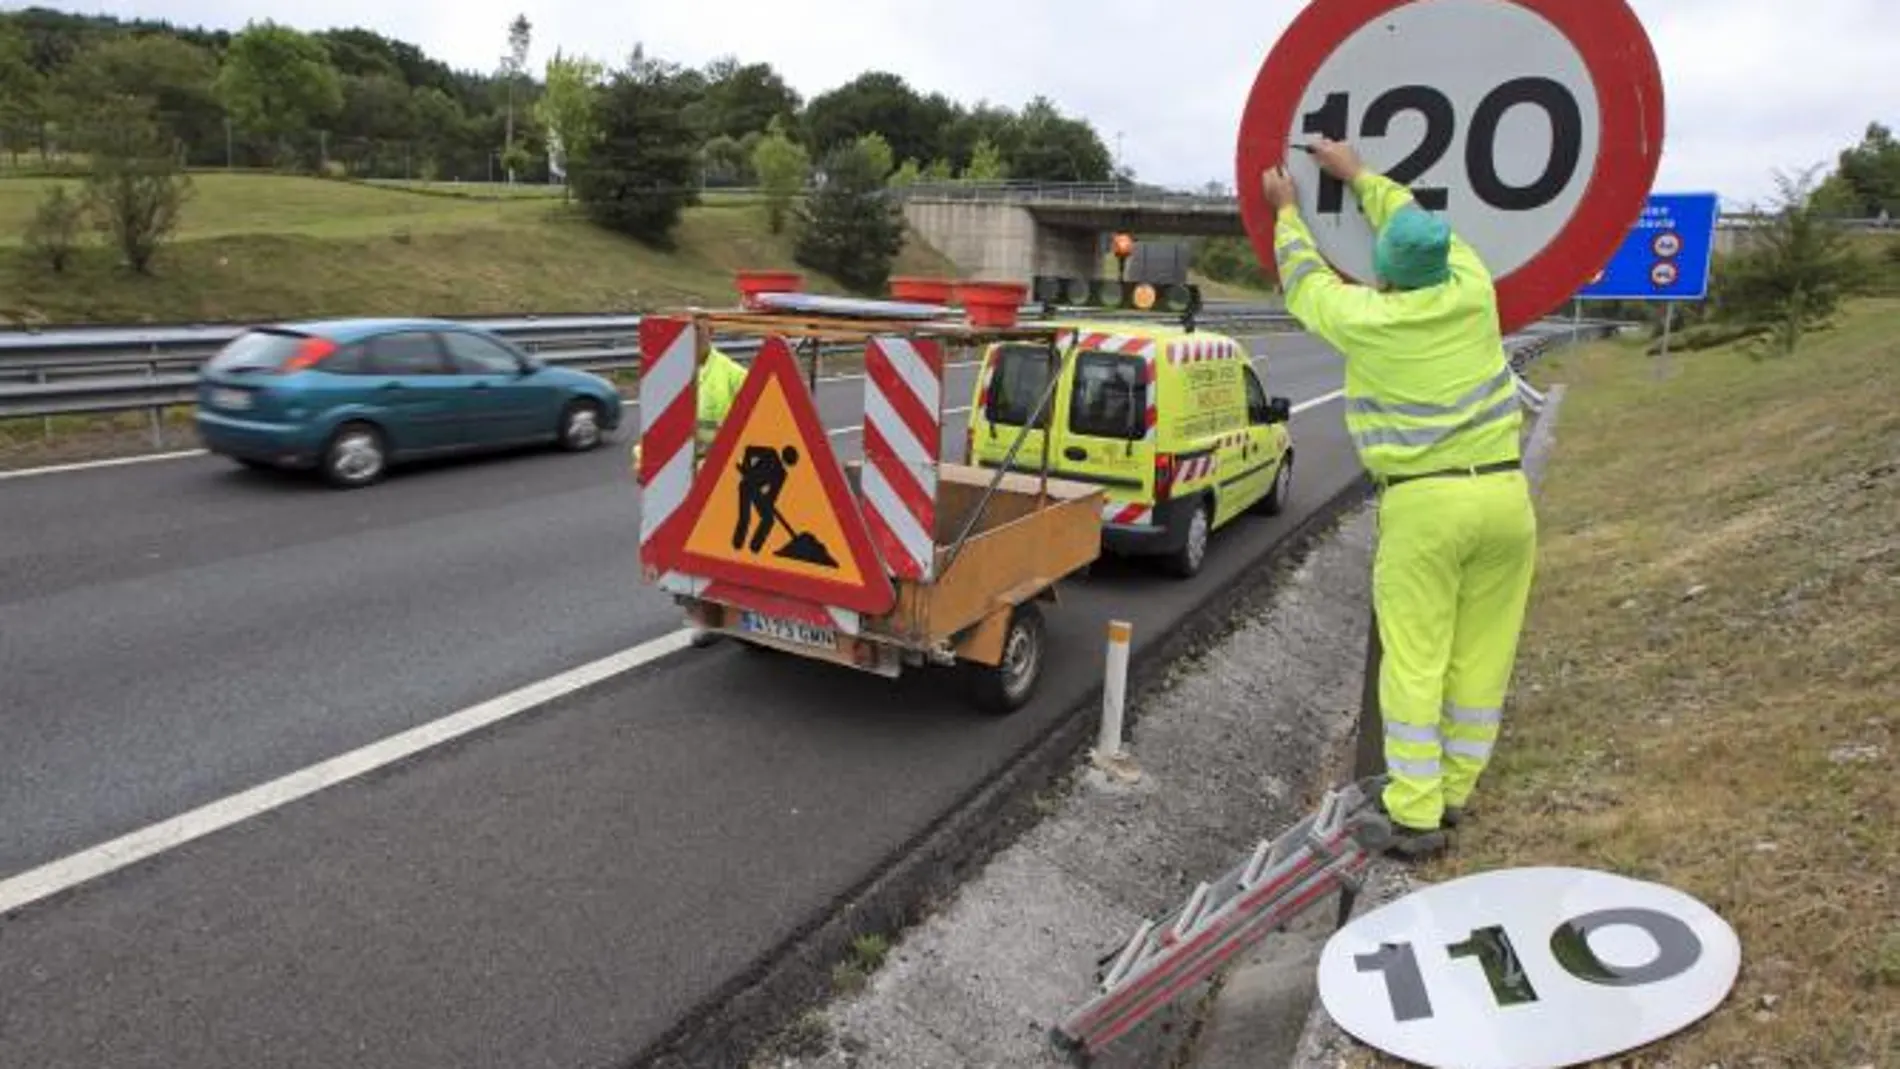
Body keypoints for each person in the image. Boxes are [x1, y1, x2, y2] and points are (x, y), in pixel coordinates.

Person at [1260, 138, 1538, 861]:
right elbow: (1411, 215)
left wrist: (1288, 211)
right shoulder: (1473, 286)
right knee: (1483, 655)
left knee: (1415, 658)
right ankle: (1452, 792)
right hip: (1507, 495)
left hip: (1426, 506)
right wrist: (1360, 176)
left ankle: (1414, 814)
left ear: (1386, 272)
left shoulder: (1369, 319)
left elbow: (1303, 283)